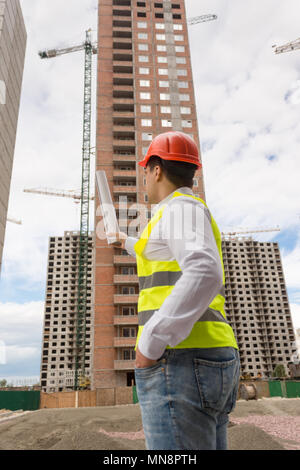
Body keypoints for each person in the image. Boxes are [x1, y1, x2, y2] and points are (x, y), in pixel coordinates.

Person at [108, 131, 240, 450]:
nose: (144, 178)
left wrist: (150, 342)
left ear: (156, 169)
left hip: (180, 360)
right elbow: (157, 250)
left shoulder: (178, 208)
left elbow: (203, 271)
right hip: (205, 356)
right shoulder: (180, 211)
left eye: (145, 170)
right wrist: (123, 241)